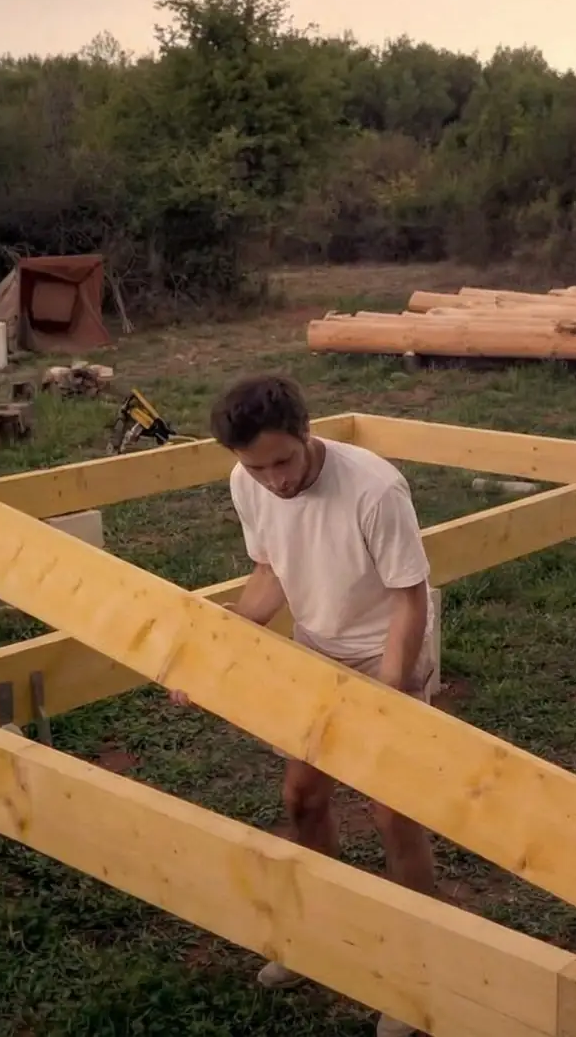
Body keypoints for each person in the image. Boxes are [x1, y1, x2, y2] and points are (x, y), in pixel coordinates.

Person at [175, 374, 438, 1036]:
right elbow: (270, 576)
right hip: (316, 652)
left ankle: (414, 974)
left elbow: (409, 598)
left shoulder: (375, 489)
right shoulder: (250, 484)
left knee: (391, 811)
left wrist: (389, 694)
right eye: (256, 467)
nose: (276, 482)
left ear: (306, 432)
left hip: (389, 652)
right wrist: (214, 652)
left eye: (283, 462)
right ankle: (316, 938)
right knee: (303, 797)